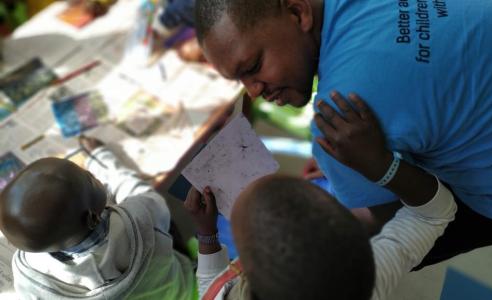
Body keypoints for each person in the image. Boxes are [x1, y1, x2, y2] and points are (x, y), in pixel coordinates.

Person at [194, 0, 492, 267]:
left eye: (253, 67)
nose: (252, 92)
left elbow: (402, 223)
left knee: (350, 251)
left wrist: (303, 210)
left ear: (298, 12)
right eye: (240, 81)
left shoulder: (339, 114)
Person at [184, 95, 457, 300]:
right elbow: (434, 213)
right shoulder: (367, 279)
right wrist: (380, 165)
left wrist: (207, 235)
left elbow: (215, 290)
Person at [0, 137, 196, 299]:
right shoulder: (140, 216)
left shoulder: (29, 273)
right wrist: (100, 155)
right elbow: (139, 191)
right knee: (166, 223)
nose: (93, 175)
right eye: (89, 177)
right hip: (183, 291)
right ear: (92, 218)